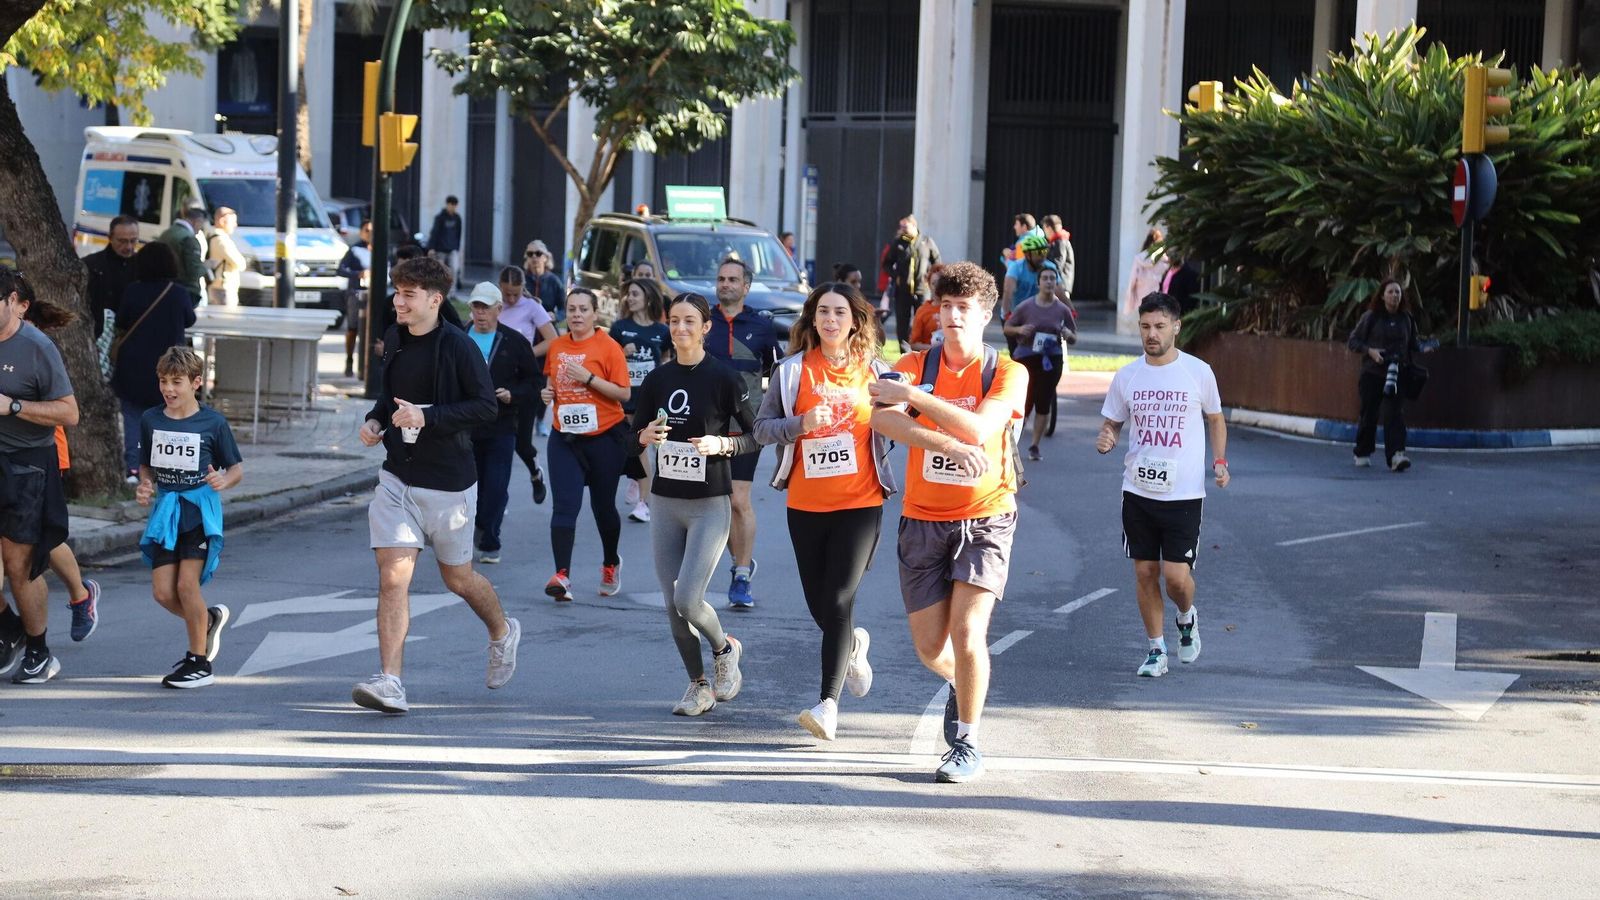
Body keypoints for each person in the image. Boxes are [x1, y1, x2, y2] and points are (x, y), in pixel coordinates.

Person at [867, 261, 1026, 784]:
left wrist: (914, 398)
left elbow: (981, 427)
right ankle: (964, 687)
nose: (953, 317)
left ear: (985, 316)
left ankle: (967, 742)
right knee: (931, 649)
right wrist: (944, 442)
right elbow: (881, 418)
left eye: (964, 308)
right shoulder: (915, 362)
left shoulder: (1007, 372)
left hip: (986, 517)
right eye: (946, 307)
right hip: (922, 519)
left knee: (967, 632)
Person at [354, 256, 519, 714]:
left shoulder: (459, 347)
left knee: (459, 578)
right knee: (393, 578)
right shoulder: (393, 338)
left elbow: (486, 407)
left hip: (449, 482)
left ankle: (502, 632)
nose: (398, 301)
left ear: (434, 300)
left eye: (408, 294)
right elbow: (389, 399)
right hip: (398, 477)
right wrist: (374, 420)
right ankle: (391, 682)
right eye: (397, 292)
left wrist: (428, 417)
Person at [754, 282, 894, 741]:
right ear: (812, 320)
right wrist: (799, 424)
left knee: (837, 600)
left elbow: (902, 419)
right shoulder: (792, 371)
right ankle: (853, 643)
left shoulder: (875, 371)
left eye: (840, 312)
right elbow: (761, 429)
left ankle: (827, 704)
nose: (831, 320)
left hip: (860, 502)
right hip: (807, 504)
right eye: (823, 312)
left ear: (855, 320)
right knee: (821, 605)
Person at [1096, 291, 1229, 679]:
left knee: (1176, 578)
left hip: (1183, 493)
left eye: (1158, 326)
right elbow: (1113, 423)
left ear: (1176, 326)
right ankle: (1156, 650)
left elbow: (1216, 419)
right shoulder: (1128, 375)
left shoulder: (1198, 372)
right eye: (1144, 327)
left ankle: (1186, 617)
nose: (1151, 334)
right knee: (1144, 572)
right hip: (1137, 490)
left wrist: (1219, 462)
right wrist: (1106, 437)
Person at [632, 291, 751, 717]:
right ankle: (698, 686)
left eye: (689, 321)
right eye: (675, 321)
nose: (680, 329)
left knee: (688, 598)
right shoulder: (657, 380)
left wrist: (724, 443)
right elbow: (633, 434)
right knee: (672, 604)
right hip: (665, 502)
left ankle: (724, 648)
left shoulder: (724, 378)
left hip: (708, 505)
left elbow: (756, 436)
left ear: (706, 328)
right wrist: (643, 438)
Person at [134, 347, 243, 688]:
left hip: (198, 511)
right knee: (164, 593)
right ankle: (208, 620)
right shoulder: (152, 419)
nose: (169, 389)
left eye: (176, 382)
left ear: (196, 383)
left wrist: (223, 480)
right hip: (166, 510)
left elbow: (236, 467)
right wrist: (146, 485)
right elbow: (147, 465)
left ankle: (199, 662)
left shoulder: (213, 422)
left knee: (186, 585)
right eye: (164, 381)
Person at [0, 268, 81, 684]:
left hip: (26, 463)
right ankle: (10, 628)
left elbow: (69, 413)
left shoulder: (36, 346)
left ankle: (39, 650)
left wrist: (12, 406)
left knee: (19, 564)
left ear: (14, 302)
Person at [14, 286, 103, 642]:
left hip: (44, 452)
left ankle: (81, 595)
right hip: (10, 455)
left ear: (20, 306)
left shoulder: (35, 345)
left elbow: (64, 409)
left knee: (39, 537)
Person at [540, 287, 631, 601]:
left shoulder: (609, 347)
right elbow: (552, 381)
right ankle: (561, 576)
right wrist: (548, 393)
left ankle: (610, 562)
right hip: (564, 438)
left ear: (594, 314)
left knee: (603, 507)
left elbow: (624, 394)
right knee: (565, 506)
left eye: (583, 309)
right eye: (572, 309)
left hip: (605, 437)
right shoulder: (557, 346)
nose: (576, 315)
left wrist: (589, 379)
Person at [706, 257, 781, 609]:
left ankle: (740, 576)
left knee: (738, 500)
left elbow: (776, 373)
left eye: (733, 279)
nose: (725, 284)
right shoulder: (704, 321)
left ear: (746, 287)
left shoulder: (762, 327)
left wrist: (773, 416)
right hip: (705, 426)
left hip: (746, 427)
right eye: (721, 279)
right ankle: (742, 560)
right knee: (715, 505)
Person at [463, 282, 537, 565]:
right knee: (467, 487)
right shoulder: (458, 337)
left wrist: (512, 394)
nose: (480, 314)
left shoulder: (514, 342)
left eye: (486, 308)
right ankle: (477, 534)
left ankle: (489, 536)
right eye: (476, 307)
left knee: (495, 487)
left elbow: (533, 381)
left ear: (499, 309)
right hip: (465, 426)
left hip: (501, 426)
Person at [113, 243, 197, 483]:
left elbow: (121, 320)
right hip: (169, 368)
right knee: (167, 419)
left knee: (132, 419)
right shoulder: (178, 292)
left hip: (132, 367)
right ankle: (164, 469)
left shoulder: (133, 291)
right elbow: (189, 319)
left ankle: (133, 469)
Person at [1347, 278, 1424, 472]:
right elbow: (1353, 341)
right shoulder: (1371, 317)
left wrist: (1426, 346)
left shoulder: (1406, 318)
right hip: (1372, 373)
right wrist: (1371, 352)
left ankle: (1397, 455)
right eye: (1390, 292)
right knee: (1369, 413)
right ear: (1382, 296)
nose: (1394, 295)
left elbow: (1413, 344)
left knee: (1395, 414)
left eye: (1398, 292)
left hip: (1397, 373)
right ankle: (1363, 452)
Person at [610, 278, 670, 524]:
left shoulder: (662, 331)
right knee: (638, 447)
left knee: (657, 448)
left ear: (648, 298)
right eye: (628, 295)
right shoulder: (619, 328)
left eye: (635, 294)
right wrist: (621, 354)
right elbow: (607, 362)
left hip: (653, 397)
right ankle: (643, 497)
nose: (630, 298)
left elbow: (666, 358)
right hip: (627, 397)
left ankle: (649, 499)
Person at [1003, 264, 1077, 460]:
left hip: (1051, 359)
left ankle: (1035, 445)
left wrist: (1068, 334)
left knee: (1044, 400)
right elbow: (1008, 327)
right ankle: (1011, 443)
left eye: (1053, 279)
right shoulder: (1026, 306)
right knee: (1024, 401)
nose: (1049, 282)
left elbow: (1074, 336)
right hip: (1027, 357)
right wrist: (1020, 330)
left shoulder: (1062, 309)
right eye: (1045, 278)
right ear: (1038, 283)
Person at [495, 266, 554, 503]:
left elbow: (553, 339)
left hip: (525, 381)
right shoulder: (493, 304)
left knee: (521, 443)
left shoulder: (531, 306)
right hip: (499, 380)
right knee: (499, 442)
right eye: (507, 293)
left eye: (515, 294)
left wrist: (525, 352)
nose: (510, 299)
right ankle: (498, 495)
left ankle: (535, 473)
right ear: (500, 287)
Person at [883, 215, 941, 353]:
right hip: (903, 290)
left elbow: (937, 261)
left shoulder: (926, 242)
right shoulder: (898, 243)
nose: (902, 229)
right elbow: (887, 264)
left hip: (922, 290)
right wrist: (896, 276)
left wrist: (930, 277)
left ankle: (924, 351)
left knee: (922, 320)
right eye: (901, 227)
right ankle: (905, 353)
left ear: (914, 226)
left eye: (905, 227)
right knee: (902, 323)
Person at [84, 214, 140, 338]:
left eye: (133, 240)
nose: (129, 247)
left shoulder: (143, 265)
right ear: (110, 238)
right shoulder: (92, 265)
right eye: (122, 241)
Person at [338, 221, 374, 378]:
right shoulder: (354, 250)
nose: (370, 234)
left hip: (374, 294)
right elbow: (341, 269)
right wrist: (357, 274)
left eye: (373, 231)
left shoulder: (381, 249)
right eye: (367, 230)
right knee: (353, 328)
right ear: (361, 232)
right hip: (356, 293)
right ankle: (349, 360)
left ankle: (369, 365)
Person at [1121, 227, 1169, 336]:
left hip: (1142, 297)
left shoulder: (1139, 258)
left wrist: (1129, 300)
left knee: (1146, 326)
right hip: (1160, 296)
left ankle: (1146, 349)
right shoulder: (1164, 259)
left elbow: (1132, 280)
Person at [159, 205, 209, 301]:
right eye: (201, 225)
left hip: (165, 288)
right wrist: (206, 266)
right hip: (185, 291)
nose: (200, 229)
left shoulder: (166, 233)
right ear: (197, 221)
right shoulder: (189, 239)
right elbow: (194, 273)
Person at [1001, 233, 1051, 318]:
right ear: (1028, 255)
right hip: (1016, 314)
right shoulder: (1016, 267)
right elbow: (1008, 291)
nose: (1042, 256)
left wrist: (1071, 310)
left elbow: (1059, 290)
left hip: (1039, 314)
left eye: (1045, 251)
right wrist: (1006, 314)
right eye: (1038, 252)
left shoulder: (1050, 267)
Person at [207, 207, 246, 308]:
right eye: (233, 222)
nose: (235, 225)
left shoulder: (212, 236)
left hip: (218, 286)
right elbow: (240, 263)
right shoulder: (221, 240)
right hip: (223, 288)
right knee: (227, 319)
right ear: (222, 221)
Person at [523, 239, 565, 321]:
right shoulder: (521, 279)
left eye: (538, 253)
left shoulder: (554, 281)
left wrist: (556, 316)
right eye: (530, 254)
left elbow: (564, 309)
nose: (534, 256)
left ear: (546, 257)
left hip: (547, 325)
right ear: (527, 258)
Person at [426, 196, 464, 287]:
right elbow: (434, 232)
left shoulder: (457, 218)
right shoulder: (440, 218)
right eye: (452, 205)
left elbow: (458, 233)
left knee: (454, 269)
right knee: (440, 271)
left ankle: (452, 293)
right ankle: (439, 290)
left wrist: (457, 248)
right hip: (440, 249)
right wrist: (431, 247)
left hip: (452, 249)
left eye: (455, 205)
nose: (453, 207)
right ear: (447, 204)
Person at [1040, 214, 1076, 300]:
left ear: (1048, 228)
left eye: (1044, 228)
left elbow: (1057, 264)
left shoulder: (1060, 242)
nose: (1044, 232)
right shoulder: (1057, 241)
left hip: (1060, 287)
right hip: (1058, 285)